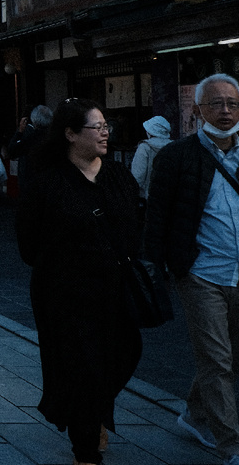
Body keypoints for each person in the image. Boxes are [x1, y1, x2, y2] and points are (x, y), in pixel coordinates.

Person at [17, 98, 142, 465]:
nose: (105, 133)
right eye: (96, 127)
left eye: (106, 126)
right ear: (70, 134)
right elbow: (28, 245)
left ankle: (93, 410)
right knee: (82, 367)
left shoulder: (118, 176)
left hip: (116, 289)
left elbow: (135, 228)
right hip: (65, 294)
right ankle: (85, 450)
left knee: (126, 352)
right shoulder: (47, 182)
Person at [146, 74, 239, 463]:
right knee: (216, 359)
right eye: (216, 103)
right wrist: (157, 271)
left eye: (232, 103)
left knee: (230, 356)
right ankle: (231, 444)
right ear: (198, 110)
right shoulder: (176, 156)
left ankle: (194, 414)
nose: (225, 110)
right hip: (201, 273)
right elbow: (156, 218)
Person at [6, 105, 53, 190]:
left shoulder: (30, 138)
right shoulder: (53, 138)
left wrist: (19, 132)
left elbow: (12, 151)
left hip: (30, 182)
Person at [130, 115, 171, 205]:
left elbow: (138, 176)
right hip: (172, 196)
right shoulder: (174, 146)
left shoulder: (144, 147)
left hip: (150, 197)